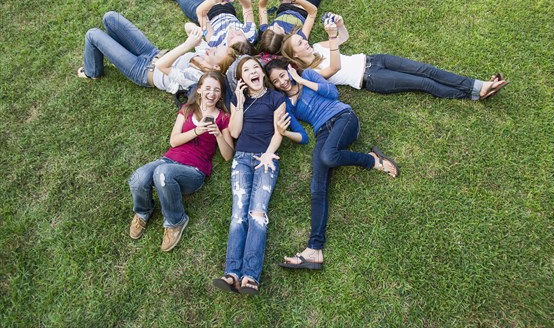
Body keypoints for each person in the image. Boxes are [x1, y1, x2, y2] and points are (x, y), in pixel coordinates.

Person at [265, 58, 399, 270]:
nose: (282, 82)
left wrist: (301, 79)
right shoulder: (286, 105)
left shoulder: (307, 74)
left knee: (328, 157)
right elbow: (303, 137)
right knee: (317, 187)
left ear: (290, 70)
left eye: (283, 75)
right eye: (276, 81)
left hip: (343, 118)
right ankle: (314, 250)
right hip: (322, 133)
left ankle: (371, 160)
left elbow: (332, 93)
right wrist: (284, 132)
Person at [212, 56, 306, 295]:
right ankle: (232, 273)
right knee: (238, 216)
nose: (252, 71)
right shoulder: (237, 99)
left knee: (257, 214)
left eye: (255, 68)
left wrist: (268, 154)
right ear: (241, 79)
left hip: (266, 158)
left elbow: (279, 132)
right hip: (242, 158)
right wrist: (240, 102)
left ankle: (250, 276)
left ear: (262, 74)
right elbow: (234, 132)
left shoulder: (276, 98)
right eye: (246, 70)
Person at [280, 13, 510, 100]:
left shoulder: (320, 45)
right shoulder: (310, 73)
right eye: (300, 43)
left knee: (426, 69)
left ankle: (478, 86)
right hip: (371, 79)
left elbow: (343, 40)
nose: (305, 41)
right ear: (295, 55)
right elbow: (335, 67)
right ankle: (475, 94)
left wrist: (340, 27)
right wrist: (331, 37)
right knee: (424, 83)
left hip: (374, 59)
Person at [128, 72, 234, 251]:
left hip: (194, 170)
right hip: (169, 159)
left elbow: (227, 155)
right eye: (207, 88)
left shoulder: (223, 117)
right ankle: (143, 211)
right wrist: (197, 131)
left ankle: (175, 221)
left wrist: (217, 134)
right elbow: (173, 141)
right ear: (199, 89)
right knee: (139, 176)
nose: (211, 93)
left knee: (162, 174)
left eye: (216, 90)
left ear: (221, 95)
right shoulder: (187, 109)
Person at [77, 11, 236, 94]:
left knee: (93, 34)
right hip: (151, 52)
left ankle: (93, 72)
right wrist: (194, 30)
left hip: (143, 71)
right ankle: (118, 50)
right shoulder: (206, 54)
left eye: (214, 52)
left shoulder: (197, 78)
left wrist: (188, 44)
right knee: (110, 18)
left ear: (215, 67)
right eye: (214, 48)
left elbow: (162, 66)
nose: (211, 49)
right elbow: (187, 27)